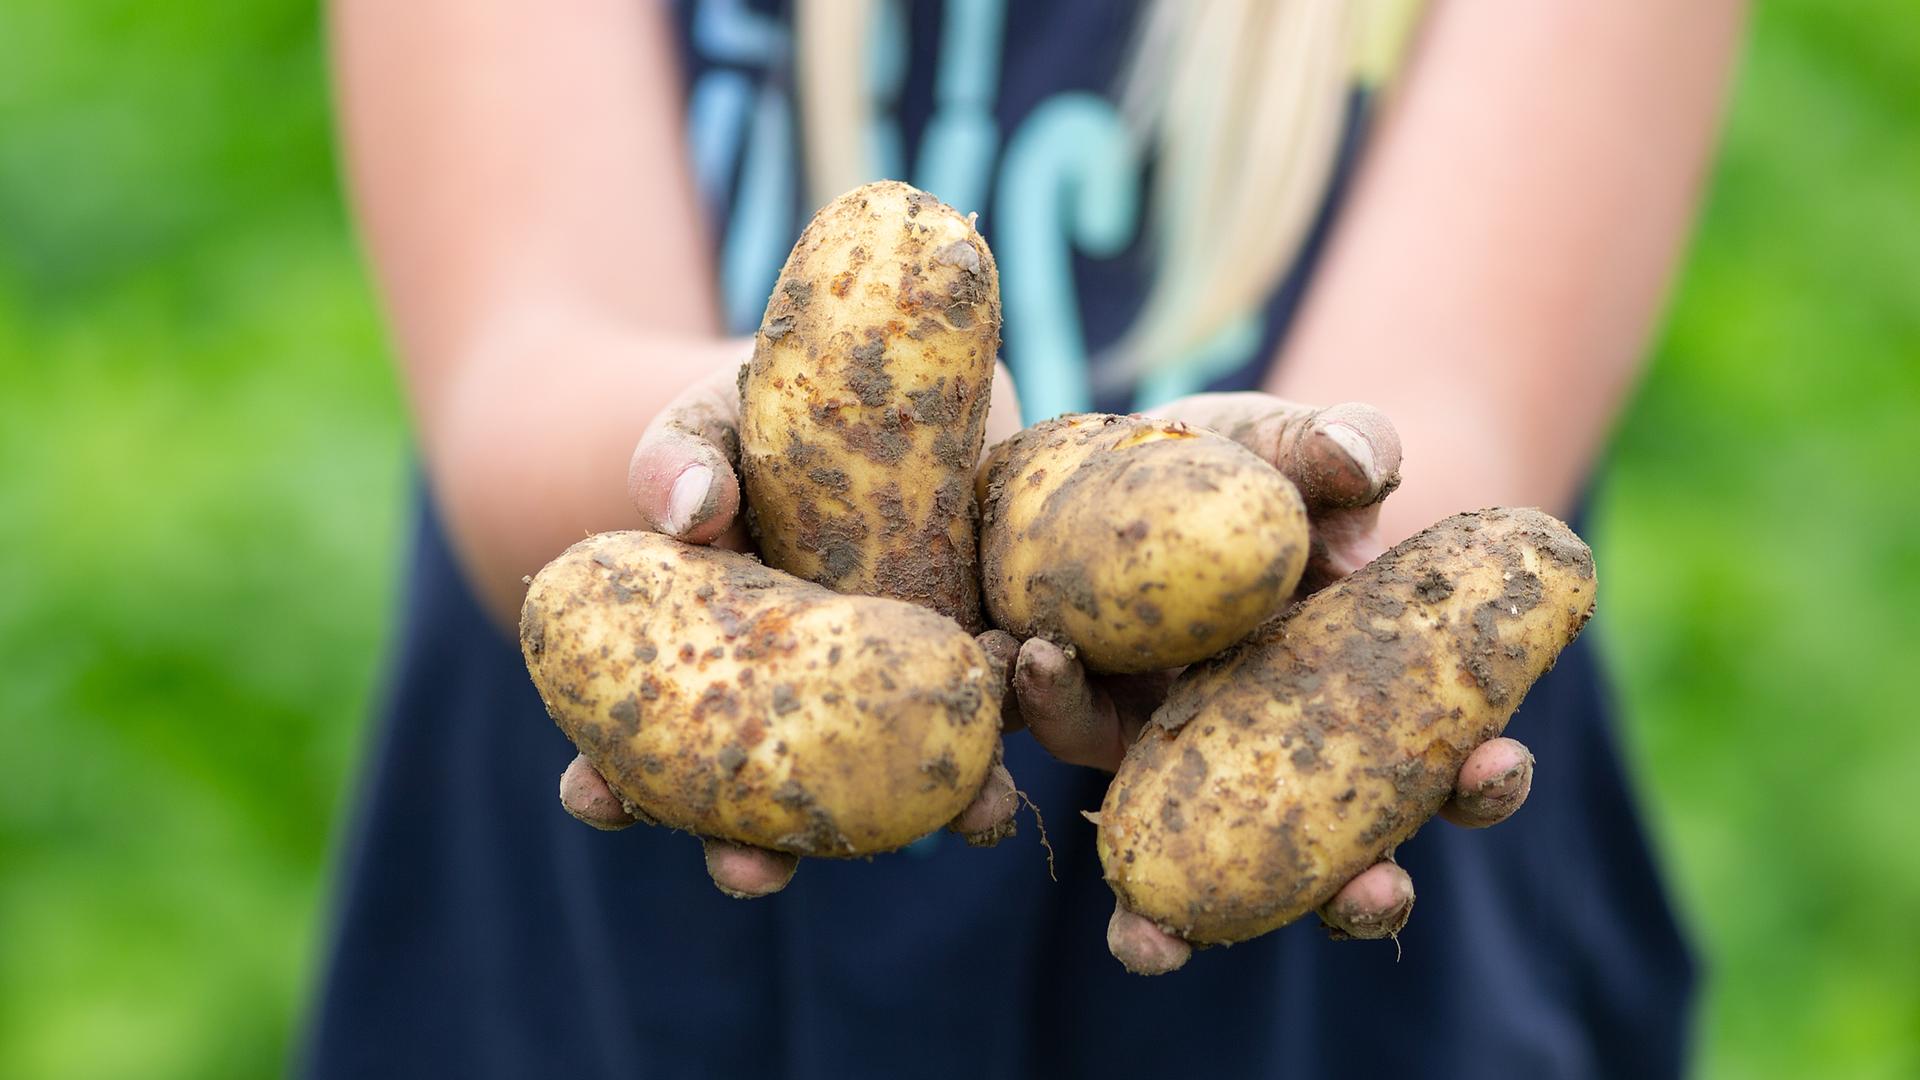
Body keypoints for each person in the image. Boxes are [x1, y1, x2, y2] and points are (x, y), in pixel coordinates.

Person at [307, 1, 1742, 1076]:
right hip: (612, 980)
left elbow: (1453, 428)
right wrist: (780, 439)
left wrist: (1294, 541)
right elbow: (515, 365)